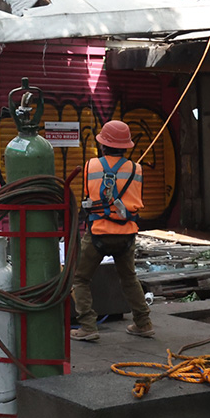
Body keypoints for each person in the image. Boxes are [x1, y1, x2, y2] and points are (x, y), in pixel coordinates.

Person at [70, 120, 153, 342]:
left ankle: (88, 326)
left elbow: (88, 195)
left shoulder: (91, 166)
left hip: (98, 233)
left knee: (80, 278)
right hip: (126, 235)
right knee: (129, 278)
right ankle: (143, 323)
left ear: (103, 144)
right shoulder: (137, 169)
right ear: (126, 146)